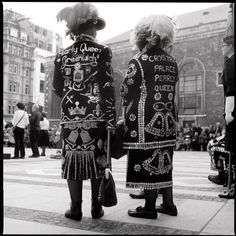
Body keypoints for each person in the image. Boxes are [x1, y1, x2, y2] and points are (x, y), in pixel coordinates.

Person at [53, 2, 116, 221]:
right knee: (98, 159)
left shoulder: (62, 55)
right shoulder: (102, 51)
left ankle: (75, 207)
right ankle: (96, 207)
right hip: (96, 114)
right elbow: (107, 85)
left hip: (69, 115)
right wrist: (111, 117)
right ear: (91, 29)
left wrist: (72, 98)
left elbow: (56, 88)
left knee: (71, 159)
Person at [120, 15, 178, 219]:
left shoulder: (139, 60)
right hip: (168, 121)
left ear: (142, 37)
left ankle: (150, 207)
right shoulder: (171, 61)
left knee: (149, 163)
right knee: (165, 163)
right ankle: (169, 204)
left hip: (145, 122)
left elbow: (126, 90)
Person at [218, 34, 235, 199]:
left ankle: (233, 187)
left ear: (230, 46)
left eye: (223, 45)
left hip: (233, 108)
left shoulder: (231, 62)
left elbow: (232, 89)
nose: (221, 48)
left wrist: (229, 112)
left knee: (234, 148)